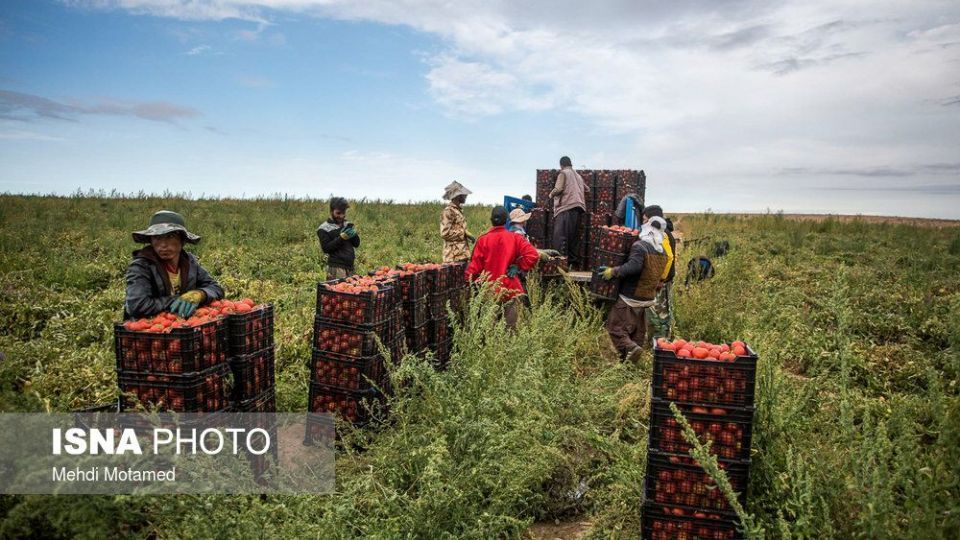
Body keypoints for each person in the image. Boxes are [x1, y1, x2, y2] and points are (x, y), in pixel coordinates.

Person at [124, 210, 224, 320]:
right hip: (150, 329)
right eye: (157, 237)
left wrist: (200, 294)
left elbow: (216, 288)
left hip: (180, 326)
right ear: (151, 241)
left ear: (182, 240)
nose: (163, 245)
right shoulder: (142, 266)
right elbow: (137, 305)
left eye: (170, 236)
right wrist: (179, 300)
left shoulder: (189, 262)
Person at [599, 216, 670, 361]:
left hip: (631, 296)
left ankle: (631, 349)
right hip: (647, 298)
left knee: (615, 327)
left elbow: (634, 267)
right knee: (637, 331)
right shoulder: (662, 251)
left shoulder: (640, 246)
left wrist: (613, 271)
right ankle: (630, 362)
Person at [465, 206, 540, 329]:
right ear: (506, 221)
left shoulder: (482, 240)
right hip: (512, 290)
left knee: (489, 333)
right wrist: (518, 266)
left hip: (490, 291)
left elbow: (473, 270)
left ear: (491, 220)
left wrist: (472, 284)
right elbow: (533, 255)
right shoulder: (515, 238)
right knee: (511, 333)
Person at [640, 205, 676, 339]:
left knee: (661, 313)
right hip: (662, 279)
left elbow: (669, 257)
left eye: (645, 220)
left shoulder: (662, 233)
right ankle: (658, 341)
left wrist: (661, 279)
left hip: (662, 281)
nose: (644, 223)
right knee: (659, 311)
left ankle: (662, 343)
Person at [549, 156, 589, 267]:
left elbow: (559, 189)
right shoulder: (578, 176)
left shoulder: (563, 173)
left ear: (561, 165)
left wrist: (551, 194)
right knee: (573, 238)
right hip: (579, 208)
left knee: (560, 237)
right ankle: (573, 264)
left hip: (566, 208)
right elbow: (587, 189)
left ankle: (559, 265)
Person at [317, 197, 360, 280]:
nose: (341, 216)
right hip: (336, 268)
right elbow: (326, 248)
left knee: (352, 291)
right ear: (331, 211)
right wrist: (341, 238)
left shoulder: (346, 224)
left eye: (343, 213)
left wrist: (354, 234)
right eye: (338, 213)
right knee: (338, 291)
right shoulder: (324, 228)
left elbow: (356, 244)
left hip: (350, 267)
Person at [441, 181, 475, 263]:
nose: (466, 196)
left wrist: (466, 233)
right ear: (458, 196)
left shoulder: (458, 211)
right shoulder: (448, 211)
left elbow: (457, 228)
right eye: (464, 194)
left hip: (461, 254)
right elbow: (445, 233)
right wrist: (464, 233)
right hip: (452, 257)